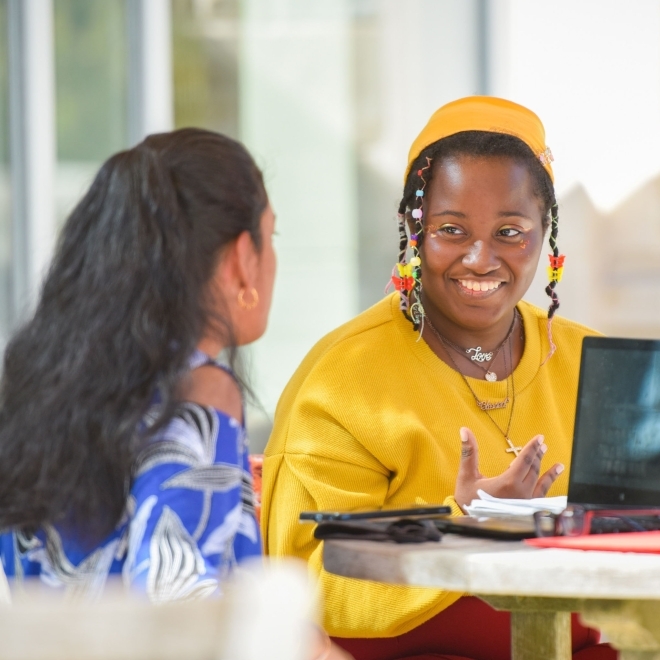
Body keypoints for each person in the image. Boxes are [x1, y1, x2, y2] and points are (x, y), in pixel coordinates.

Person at [261, 97, 617, 660]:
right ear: (414, 227)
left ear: (544, 235)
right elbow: (300, 583)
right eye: (453, 230)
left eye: (510, 232)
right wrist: (461, 527)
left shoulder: (590, 361)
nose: (481, 259)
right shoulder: (343, 378)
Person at [0, 129, 349, 660]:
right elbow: (180, 603)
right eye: (270, 238)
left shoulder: (41, 385)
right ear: (240, 259)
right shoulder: (199, 391)